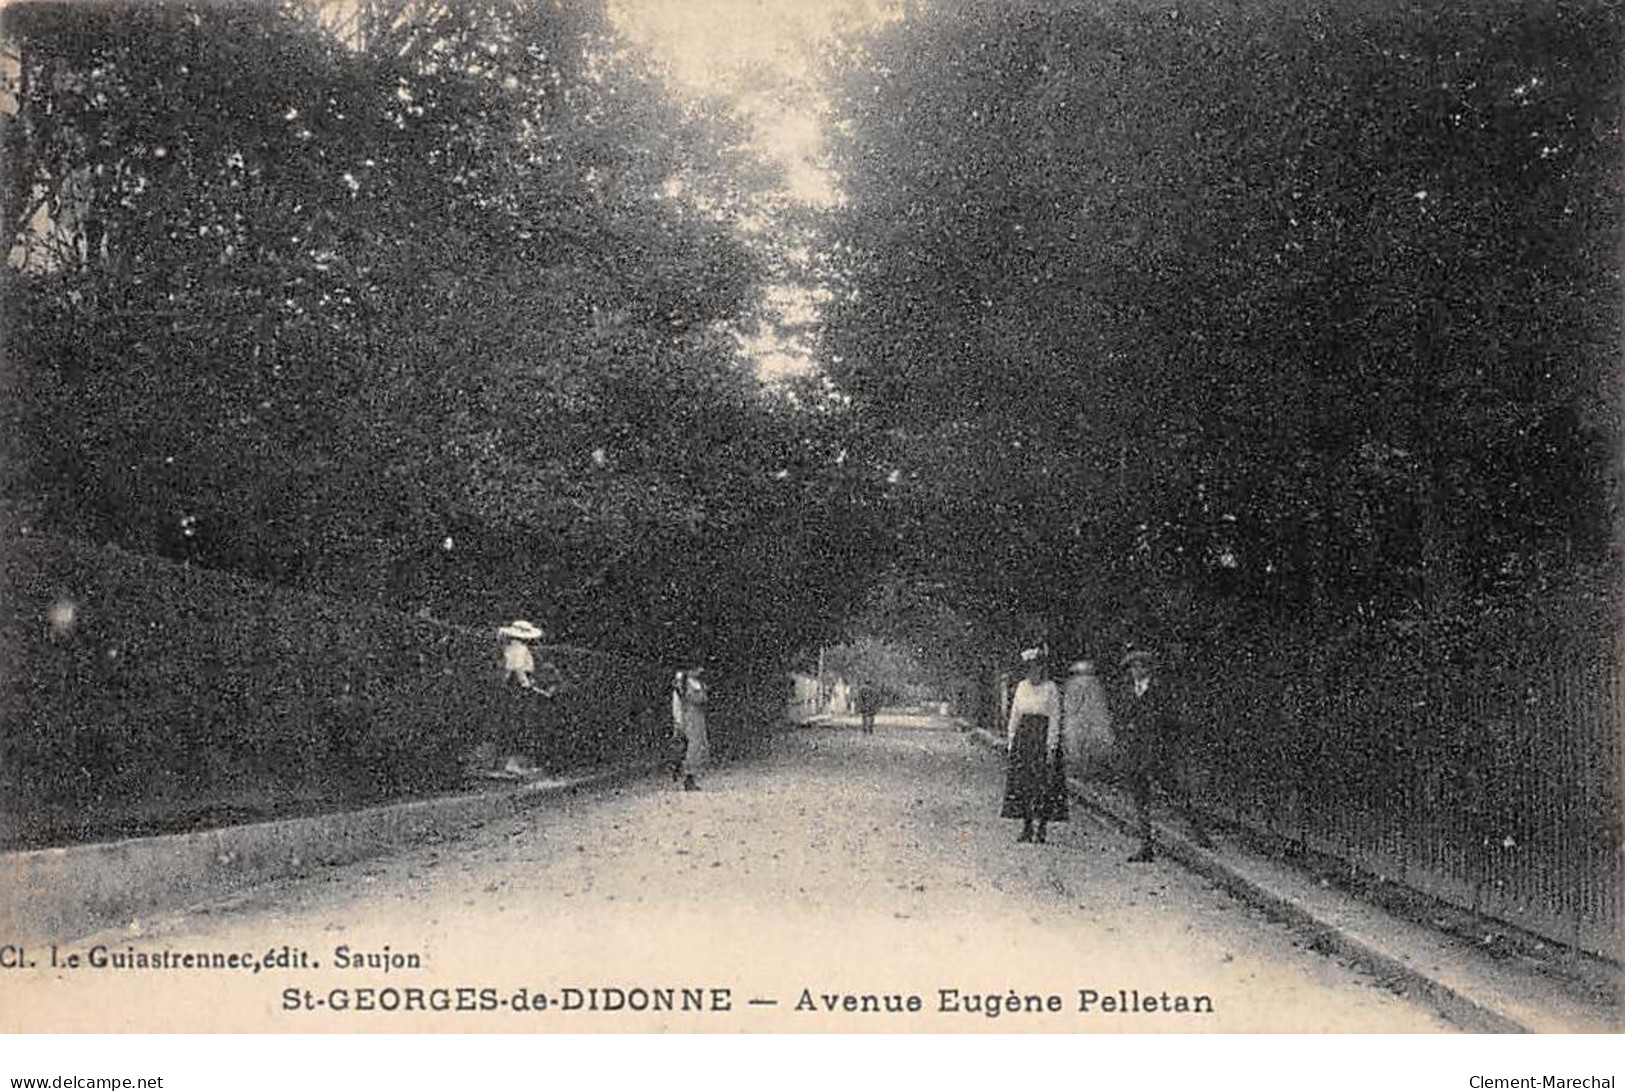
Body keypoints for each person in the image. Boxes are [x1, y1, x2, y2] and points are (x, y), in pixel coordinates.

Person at [1115, 649, 1214, 862]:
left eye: (1140, 666)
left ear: (1148, 668)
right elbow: (1122, 717)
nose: (1135, 671)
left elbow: (1171, 721)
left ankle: (1198, 831)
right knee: (1140, 798)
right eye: (1132, 667)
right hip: (1135, 750)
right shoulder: (1128, 690)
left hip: (1157, 750)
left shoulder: (1160, 690)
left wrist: (1163, 742)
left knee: (1174, 792)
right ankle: (1146, 845)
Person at [1001, 647, 1068, 843]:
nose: (1034, 672)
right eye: (1030, 668)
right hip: (1024, 737)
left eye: (1037, 668)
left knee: (1044, 783)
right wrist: (1011, 739)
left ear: (1042, 669)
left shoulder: (1051, 688)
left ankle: (1042, 827)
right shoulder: (1022, 687)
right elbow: (1015, 714)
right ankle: (1027, 825)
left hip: (1042, 737)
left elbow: (1055, 717)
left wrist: (1052, 745)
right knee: (1024, 782)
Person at [1062, 658, 1114, 782]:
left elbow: (1070, 706)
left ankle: (1084, 771)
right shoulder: (1096, 685)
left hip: (1081, 722)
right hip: (1091, 722)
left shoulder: (1074, 684)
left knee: (1080, 745)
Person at [670, 666, 710, 792]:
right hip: (689, 718)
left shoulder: (697, 683)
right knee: (692, 746)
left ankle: (688, 774)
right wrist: (678, 721)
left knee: (698, 746)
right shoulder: (684, 684)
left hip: (697, 717)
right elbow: (678, 704)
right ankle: (687, 776)